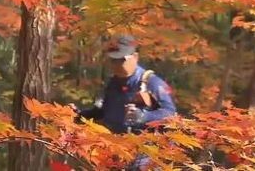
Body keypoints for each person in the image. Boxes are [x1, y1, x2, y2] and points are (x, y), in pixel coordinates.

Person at [71, 35, 177, 169]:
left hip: (146, 154)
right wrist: (79, 116)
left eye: (121, 59)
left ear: (135, 57)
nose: (117, 64)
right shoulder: (112, 84)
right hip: (116, 152)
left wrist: (144, 116)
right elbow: (104, 111)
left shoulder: (152, 82)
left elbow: (171, 114)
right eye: (113, 60)